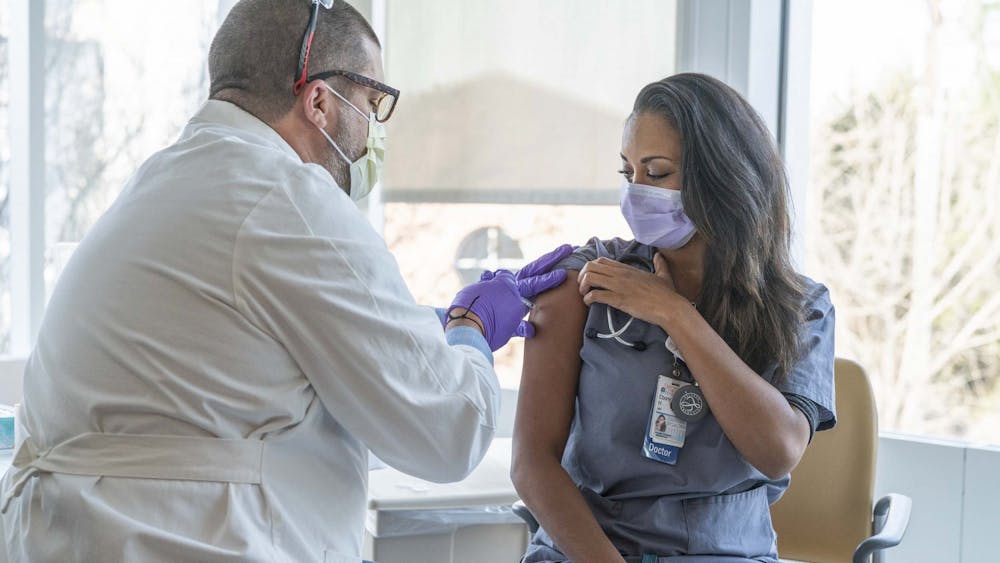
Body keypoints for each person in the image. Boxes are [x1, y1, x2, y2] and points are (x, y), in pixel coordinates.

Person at [0, 1, 570, 561]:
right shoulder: (288, 200)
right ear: (319, 99)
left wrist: (429, 329)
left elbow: (263, 367)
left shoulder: (168, 180)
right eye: (372, 104)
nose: (373, 133)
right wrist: (471, 330)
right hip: (185, 539)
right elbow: (450, 432)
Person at [511, 73, 836, 563]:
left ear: (723, 177)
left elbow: (778, 450)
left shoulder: (800, 306)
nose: (637, 192)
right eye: (629, 173)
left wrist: (676, 316)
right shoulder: (586, 281)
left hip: (730, 552)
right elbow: (531, 463)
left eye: (657, 173)